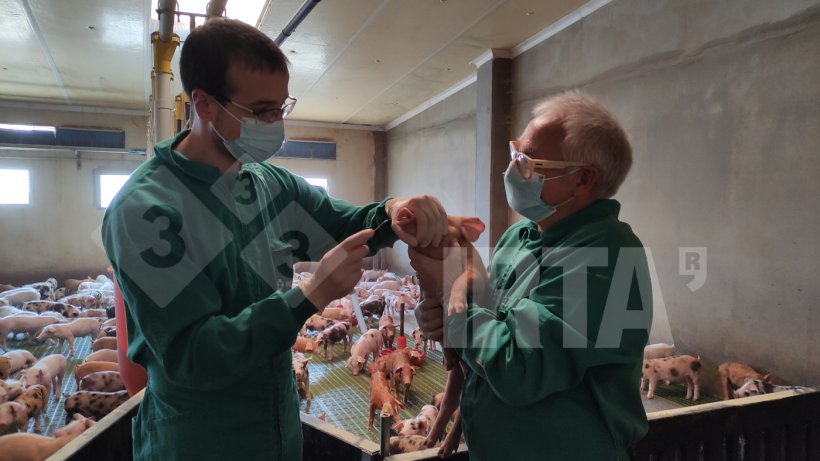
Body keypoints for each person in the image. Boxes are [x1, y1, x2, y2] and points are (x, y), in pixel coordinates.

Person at [101, 18, 447, 461]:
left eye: (282, 107)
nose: (276, 122)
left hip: (279, 430)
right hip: (201, 439)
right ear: (204, 104)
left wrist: (395, 210)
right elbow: (193, 354)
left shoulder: (268, 186)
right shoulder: (145, 212)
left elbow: (345, 223)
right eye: (262, 111)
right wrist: (311, 294)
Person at [411, 91, 653, 460]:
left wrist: (451, 297)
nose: (510, 170)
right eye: (514, 153)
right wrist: (443, 321)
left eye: (527, 161)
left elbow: (519, 368)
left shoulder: (607, 253)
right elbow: (486, 326)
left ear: (583, 179)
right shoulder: (519, 237)